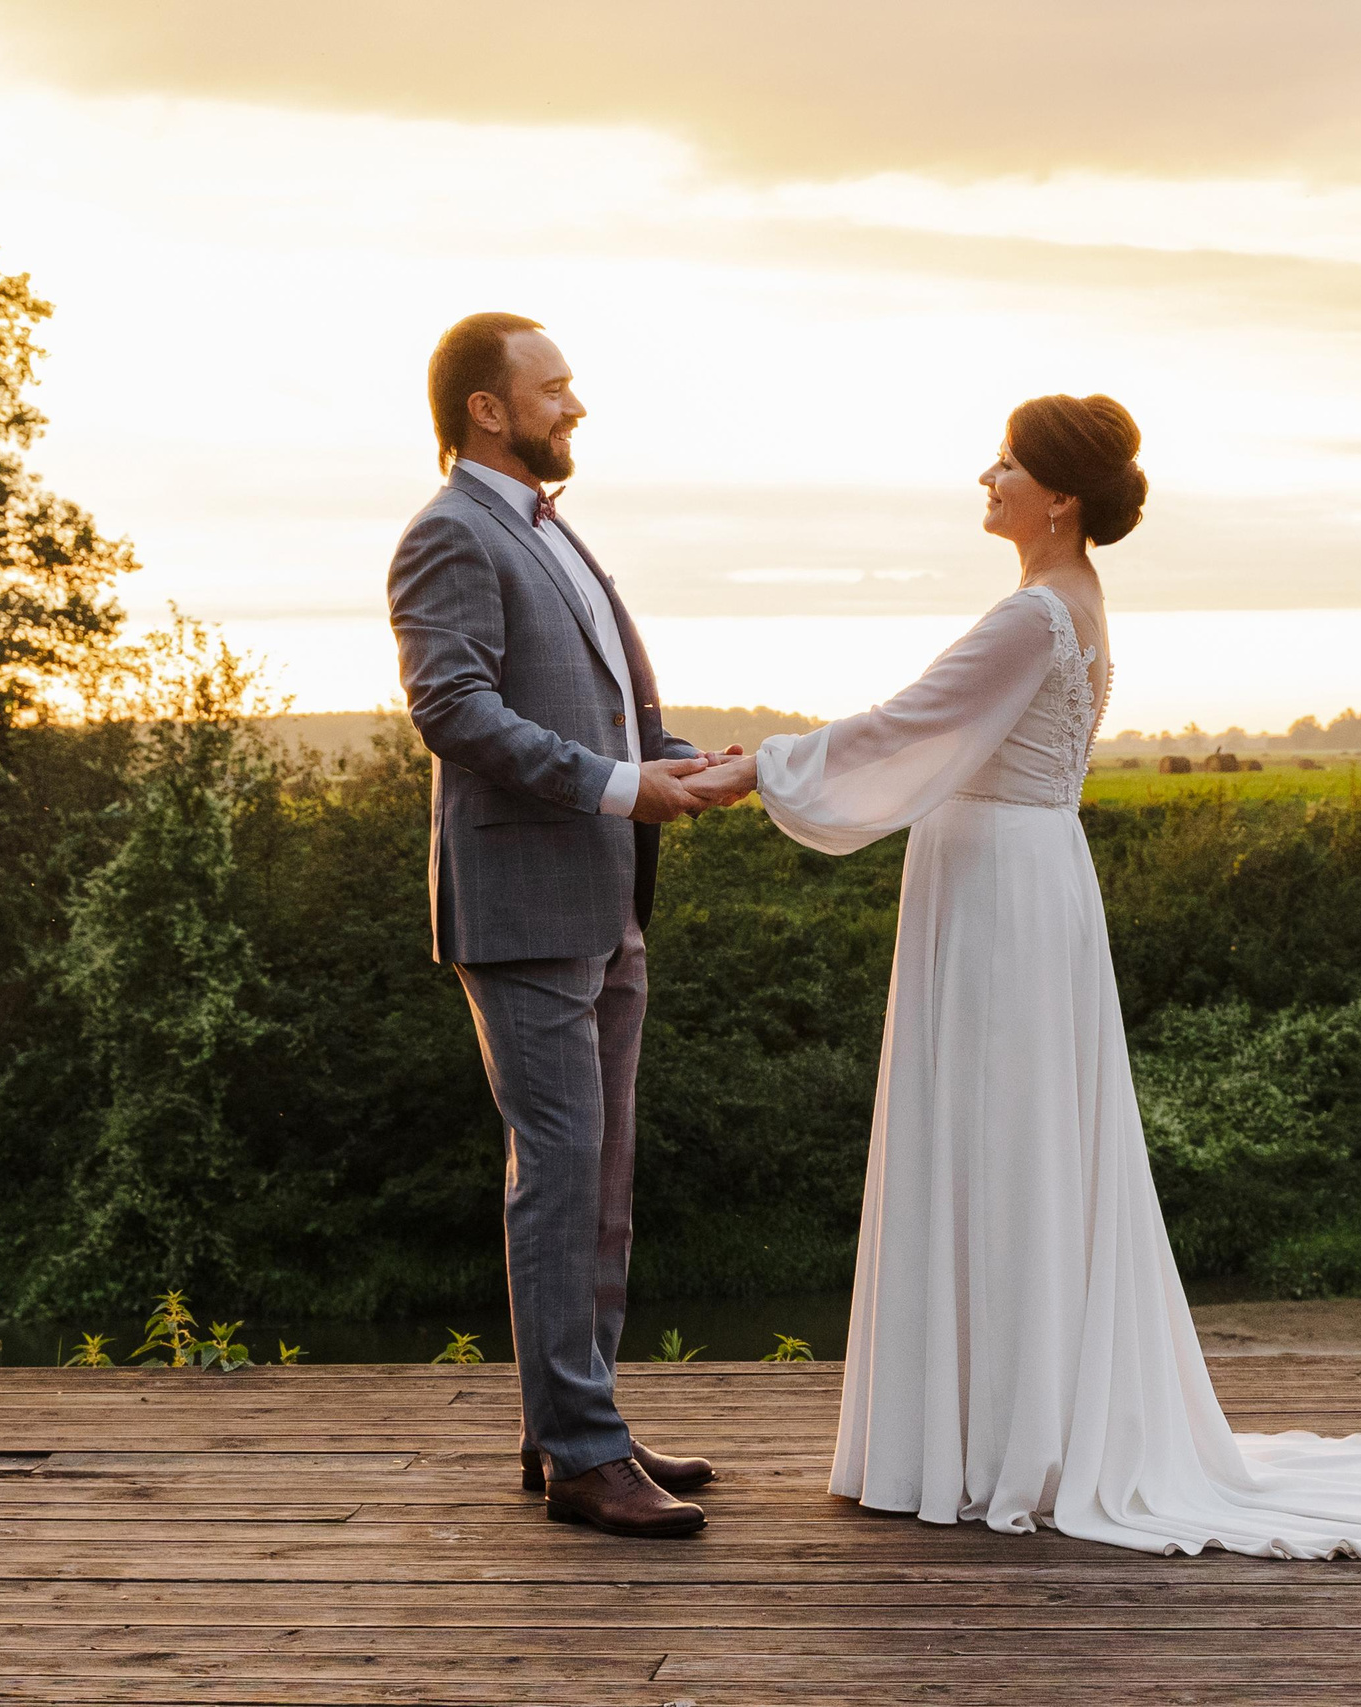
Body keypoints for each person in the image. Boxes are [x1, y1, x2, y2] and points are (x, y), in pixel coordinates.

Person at [686, 395, 1361, 1557]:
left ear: (1056, 497)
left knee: (1001, 1135)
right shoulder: (1071, 604)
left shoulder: (1030, 615)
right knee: (1016, 1138)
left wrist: (761, 767)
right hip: (1022, 875)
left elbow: (907, 722)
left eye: (1003, 465)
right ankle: (997, 1423)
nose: (985, 477)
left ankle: (991, 1439)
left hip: (1003, 891)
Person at [386, 312, 745, 1539]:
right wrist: (617, 786)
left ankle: (574, 1428)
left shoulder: (549, 529)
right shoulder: (448, 533)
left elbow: (602, 715)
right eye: (555, 388)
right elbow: (453, 709)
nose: (574, 404)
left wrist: (684, 766)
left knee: (602, 1186)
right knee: (557, 1182)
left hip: (604, 899)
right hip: (526, 911)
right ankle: (585, 1459)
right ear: (489, 408)